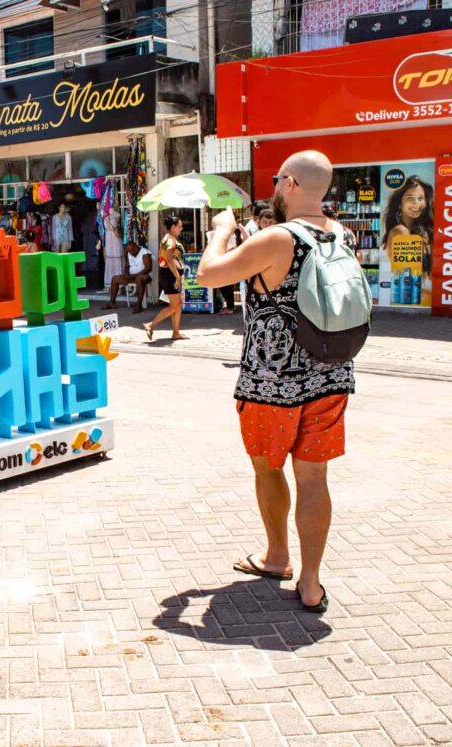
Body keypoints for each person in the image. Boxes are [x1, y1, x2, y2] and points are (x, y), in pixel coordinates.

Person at [197, 150, 357, 614]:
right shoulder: (341, 234)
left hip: (271, 381)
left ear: (288, 183)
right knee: (314, 477)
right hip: (331, 375)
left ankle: (277, 556)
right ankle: (310, 583)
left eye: (275, 180)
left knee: (268, 468)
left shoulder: (278, 238)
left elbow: (208, 275)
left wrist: (222, 233)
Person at [382, 175, 434, 294]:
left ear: (426, 202)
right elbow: (408, 280)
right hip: (408, 297)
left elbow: (430, 276)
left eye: (420, 198)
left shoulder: (422, 232)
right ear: (400, 204)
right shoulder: (400, 231)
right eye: (410, 198)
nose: (416, 204)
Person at [144, 216, 189, 341]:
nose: (181, 229)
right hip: (170, 275)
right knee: (174, 306)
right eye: (179, 226)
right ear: (173, 227)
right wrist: (177, 276)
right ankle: (151, 325)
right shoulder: (170, 240)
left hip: (168, 274)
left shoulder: (168, 238)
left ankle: (176, 332)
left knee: (177, 305)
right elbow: (169, 259)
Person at [100, 242, 152, 313]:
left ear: (136, 246)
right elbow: (127, 266)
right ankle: (112, 303)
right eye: (130, 252)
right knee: (115, 279)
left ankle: (139, 305)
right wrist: (126, 273)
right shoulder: (128, 253)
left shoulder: (145, 253)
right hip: (132, 276)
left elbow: (148, 268)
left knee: (139, 280)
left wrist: (134, 275)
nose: (132, 253)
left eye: (133, 251)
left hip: (144, 276)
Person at [103, 206, 125, 287]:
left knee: (117, 258)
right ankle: (109, 283)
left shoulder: (117, 215)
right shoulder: (105, 216)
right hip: (108, 238)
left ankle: (120, 284)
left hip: (116, 238)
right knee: (109, 259)